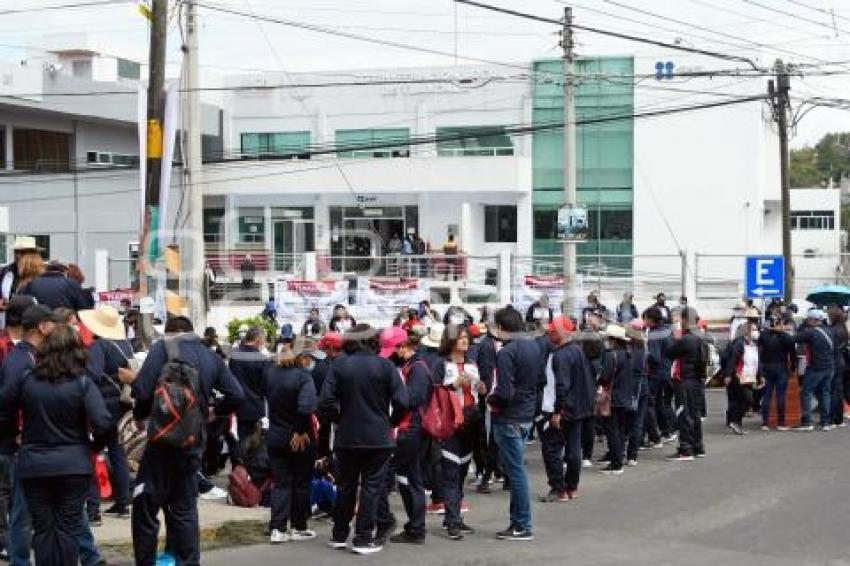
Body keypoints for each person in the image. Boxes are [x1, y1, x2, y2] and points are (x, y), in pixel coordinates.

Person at [130, 316, 245, 566]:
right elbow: (237, 394)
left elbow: (140, 389)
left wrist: (141, 416)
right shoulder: (211, 356)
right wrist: (215, 412)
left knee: (145, 506)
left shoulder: (162, 348)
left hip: (161, 442)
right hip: (192, 443)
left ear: (170, 333)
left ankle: (146, 561)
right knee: (184, 508)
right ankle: (189, 561)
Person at [0, 324, 111, 566]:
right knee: (68, 528)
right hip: (73, 465)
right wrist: (93, 447)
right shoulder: (82, 384)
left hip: (34, 464)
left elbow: (5, 410)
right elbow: (103, 422)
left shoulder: (27, 380)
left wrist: (15, 435)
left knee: (43, 529)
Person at [319, 324, 408, 555]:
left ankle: (339, 535)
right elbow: (402, 401)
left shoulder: (339, 365)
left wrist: (341, 418)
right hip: (378, 436)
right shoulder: (386, 365)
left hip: (347, 435)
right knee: (371, 488)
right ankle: (362, 538)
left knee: (346, 485)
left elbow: (325, 402)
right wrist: (391, 422)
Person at [489, 307, 543, 541]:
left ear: (501, 328)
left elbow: (505, 392)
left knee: (516, 473)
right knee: (517, 470)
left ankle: (521, 524)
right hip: (526, 414)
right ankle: (518, 523)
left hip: (510, 416)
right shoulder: (534, 345)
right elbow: (540, 381)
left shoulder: (506, 352)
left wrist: (490, 399)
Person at [79, 305, 136, 521]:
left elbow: (92, 375)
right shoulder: (125, 345)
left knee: (90, 453)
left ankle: (93, 512)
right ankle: (122, 502)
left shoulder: (99, 346)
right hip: (121, 404)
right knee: (117, 452)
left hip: (104, 406)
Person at [262, 339, 318, 544]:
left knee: (280, 484)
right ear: (302, 358)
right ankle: (298, 526)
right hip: (298, 437)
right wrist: (300, 430)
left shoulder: (271, 374)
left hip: (275, 435)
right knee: (301, 483)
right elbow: (306, 408)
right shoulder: (304, 377)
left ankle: (277, 527)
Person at [432, 325, 482, 541]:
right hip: (451, 422)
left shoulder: (472, 364)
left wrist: (481, 387)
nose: (464, 341)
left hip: (471, 421)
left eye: (466, 338)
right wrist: (453, 385)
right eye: (460, 338)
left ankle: (454, 517)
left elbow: (478, 392)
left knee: (461, 472)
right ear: (450, 341)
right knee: (451, 473)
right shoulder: (440, 364)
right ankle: (452, 520)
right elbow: (432, 393)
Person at [385, 333, 431, 544]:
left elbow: (409, 400)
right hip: (410, 428)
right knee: (409, 478)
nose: (395, 354)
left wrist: (392, 420)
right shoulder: (414, 366)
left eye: (397, 349)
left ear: (404, 346)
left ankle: (415, 527)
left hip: (410, 429)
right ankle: (415, 527)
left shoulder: (418, 368)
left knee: (408, 479)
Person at [0, 296, 36, 561]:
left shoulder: (30, 350)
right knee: (5, 489)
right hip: (7, 431)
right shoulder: (7, 348)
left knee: (16, 494)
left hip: (25, 434)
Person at [665, 308, 706, 460]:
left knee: (684, 414)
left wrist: (675, 337)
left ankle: (686, 449)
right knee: (695, 414)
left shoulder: (687, 338)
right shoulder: (701, 336)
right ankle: (698, 447)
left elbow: (669, 352)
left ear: (684, 320)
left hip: (685, 380)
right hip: (696, 380)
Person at [597, 325, 634, 475]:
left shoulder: (611, 355)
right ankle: (618, 460)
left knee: (612, 432)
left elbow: (605, 377)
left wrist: (598, 381)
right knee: (619, 431)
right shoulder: (628, 354)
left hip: (612, 397)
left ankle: (615, 463)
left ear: (613, 340)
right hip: (624, 397)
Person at [229, 327, 269, 459]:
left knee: (241, 439)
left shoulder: (234, 356)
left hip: (239, 405)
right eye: (263, 341)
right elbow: (266, 384)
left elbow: (230, 380)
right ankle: (252, 472)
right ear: (258, 340)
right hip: (256, 407)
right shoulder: (262, 358)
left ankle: (241, 470)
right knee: (256, 441)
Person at [794, 309, 835, 431]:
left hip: (815, 368)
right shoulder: (830, 331)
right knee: (825, 393)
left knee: (806, 392)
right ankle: (825, 423)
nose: (807, 321)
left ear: (814, 320)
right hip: (830, 367)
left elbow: (794, 339)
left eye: (808, 319)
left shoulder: (811, 332)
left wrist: (780, 332)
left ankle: (807, 422)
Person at [724, 309, 760, 435]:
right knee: (747, 399)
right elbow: (732, 359)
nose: (756, 332)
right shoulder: (739, 343)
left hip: (749, 375)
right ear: (747, 331)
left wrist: (760, 375)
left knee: (744, 400)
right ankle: (734, 421)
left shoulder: (754, 344)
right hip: (740, 374)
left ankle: (737, 423)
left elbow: (756, 362)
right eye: (754, 330)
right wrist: (728, 375)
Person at [758, 314, 796, 431]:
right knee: (780, 395)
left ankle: (765, 423)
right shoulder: (786, 337)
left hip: (766, 366)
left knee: (767, 395)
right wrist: (793, 367)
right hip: (781, 367)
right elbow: (792, 354)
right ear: (781, 324)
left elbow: (759, 351)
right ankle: (781, 422)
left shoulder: (763, 336)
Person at [644, 306, 675, 445]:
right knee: (659, 403)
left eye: (645, 318)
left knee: (649, 404)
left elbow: (654, 357)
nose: (644, 321)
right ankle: (666, 431)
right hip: (666, 371)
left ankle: (654, 436)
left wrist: (643, 356)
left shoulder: (654, 335)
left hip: (655, 373)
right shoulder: (667, 331)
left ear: (651, 320)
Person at [0, 237, 41, 328]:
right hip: (8, 323)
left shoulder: (41, 274)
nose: (17, 255)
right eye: (16, 252)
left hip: (32, 323)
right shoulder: (6, 271)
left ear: (33, 254)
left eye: (22, 253)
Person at [19, 261, 88, 311]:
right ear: (64, 271)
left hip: (40, 326)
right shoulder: (71, 283)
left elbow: (24, 306)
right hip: (63, 325)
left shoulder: (31, 283)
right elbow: (82, 310)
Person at [827, 307, 848, 427]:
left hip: (833, 361)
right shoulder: (843, 329)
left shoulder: (833, 330)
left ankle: (832, 419)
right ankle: (839, 419)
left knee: (832, 390)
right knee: (838, 390)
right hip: (841, 361)